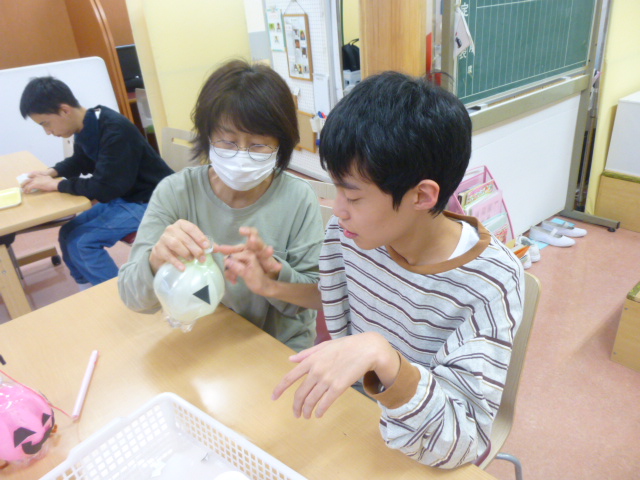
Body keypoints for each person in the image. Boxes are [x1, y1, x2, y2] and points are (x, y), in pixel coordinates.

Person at [222, 71, 525, 468]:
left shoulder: (489, 282)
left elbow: (463, 437)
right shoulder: (352, 233)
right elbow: (339, 294)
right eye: (336, 189)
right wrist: (273, 286)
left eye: (353, 196)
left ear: (422, 195)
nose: (338, 209)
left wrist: (385, 358)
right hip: (354, 409)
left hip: (422, 437)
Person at [117, 60, 324, 352]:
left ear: (281, 145)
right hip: (204, 335)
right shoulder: (176, 193)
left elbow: (317, 297)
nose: (242, 156)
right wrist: (155, 261)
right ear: (208, 137)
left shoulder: (298, 198)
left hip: (276, 345)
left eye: (258, 145)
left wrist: (275, 276)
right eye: (227, 141)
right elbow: (132, 297)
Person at [19, 77, 174, 288]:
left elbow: (104, 188)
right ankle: (89, 288)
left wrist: (56, 185)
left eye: (46, 123)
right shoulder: (88, 124)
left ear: (64, 111)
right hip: (127, 197)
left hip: (152, 200)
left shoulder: (114, 129)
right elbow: (81, 160)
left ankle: (120, 296)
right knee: (67, 233)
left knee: (82, 244)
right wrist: (51, 173)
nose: (48, 132)